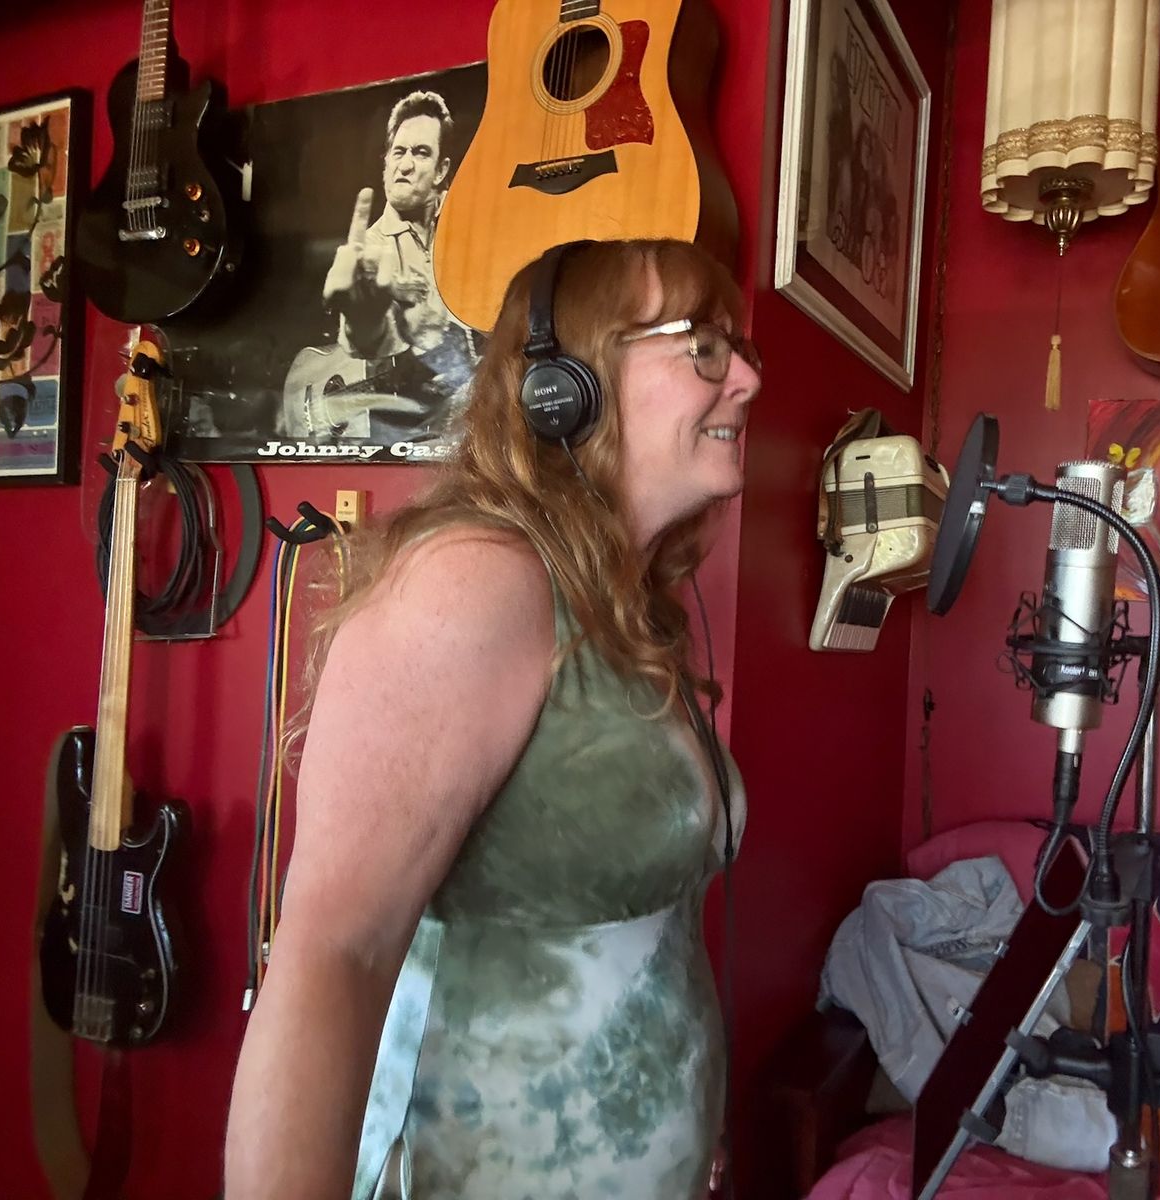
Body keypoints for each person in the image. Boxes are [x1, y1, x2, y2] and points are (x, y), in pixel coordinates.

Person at [227, 238, 761, 1199]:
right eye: (706, 347)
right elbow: (332, 958)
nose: (749, 380)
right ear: (567, 389)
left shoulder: (630, 611)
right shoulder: (476, 583)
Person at [282, 90, 484, 443]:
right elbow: (366, 336)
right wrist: (365, 323)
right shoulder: (370, 250)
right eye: (398, 152)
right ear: (385, 163)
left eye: (421, 153)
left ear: (442, 170)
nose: (405, 165)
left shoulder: (472, 227)